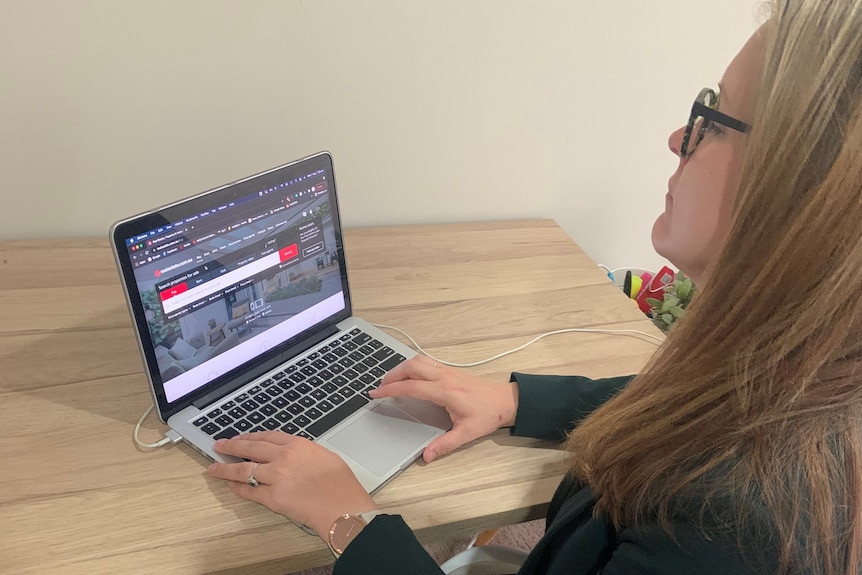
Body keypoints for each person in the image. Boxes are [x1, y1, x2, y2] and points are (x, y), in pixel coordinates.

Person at [208, 1, 862, 573]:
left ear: (797, 190)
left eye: (714, 117)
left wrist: (347, 518)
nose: (677, 137)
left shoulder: (734, 527)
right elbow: (692, 407)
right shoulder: (799, 375)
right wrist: (513, 399)